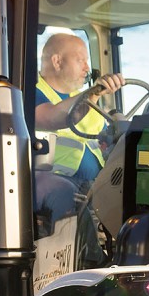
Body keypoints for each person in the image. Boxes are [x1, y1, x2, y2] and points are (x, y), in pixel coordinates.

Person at [33, 33, 124, 188]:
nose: (87, 68)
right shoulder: (30, 91)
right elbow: (52, 118)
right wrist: (93, 93)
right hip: (56, 186)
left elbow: (106, 140)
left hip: (97, 187)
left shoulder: (84, 99)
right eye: (81, 60)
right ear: (57, 61)